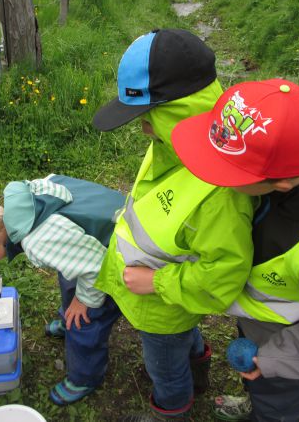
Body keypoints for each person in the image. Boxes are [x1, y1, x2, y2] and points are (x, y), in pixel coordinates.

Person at [170, 78, 299, 422]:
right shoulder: (289, 154)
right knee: (258, 390)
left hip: (289, 350)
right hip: (258, 324)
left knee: (277, 406)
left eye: (227, 171)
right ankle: (258, 403)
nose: (213, 179)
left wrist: (273, 361)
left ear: (281, 183)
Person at [92, 28, 255, 419]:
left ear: (183, 112)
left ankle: (172, 408)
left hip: (161, 306)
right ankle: (199, 369)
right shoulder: (172, 145)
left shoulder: (219, 193)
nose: (144, 129)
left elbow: (224, 274)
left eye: (150, 117)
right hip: (170, 303)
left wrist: (156, 283)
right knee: (185, 341)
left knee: (164, 369)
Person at [0, 174, 125, 405]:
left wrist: (84, 301)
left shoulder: (39, 241)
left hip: (119, 258)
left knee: (86, 320)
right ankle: (69, 319)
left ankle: (85, 376)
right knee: (70, 272)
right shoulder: (27, 194)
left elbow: (97, 269)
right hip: (100, 233)